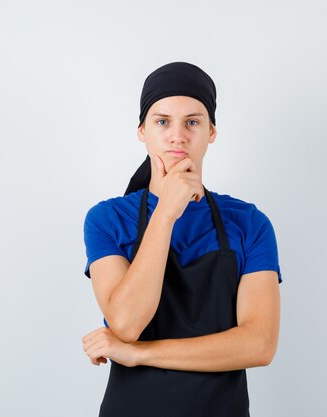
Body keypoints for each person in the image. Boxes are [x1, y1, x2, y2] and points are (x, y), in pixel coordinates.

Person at [81, 61, 282, 417]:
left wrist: (141, 353)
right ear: (142, 130)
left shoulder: (249, 223)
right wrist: (166, 213)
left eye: (192, 121)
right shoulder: (108, 220)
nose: (178, 135)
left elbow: (259, 344)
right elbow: (127, 324)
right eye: (162, 122)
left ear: (211, 132)